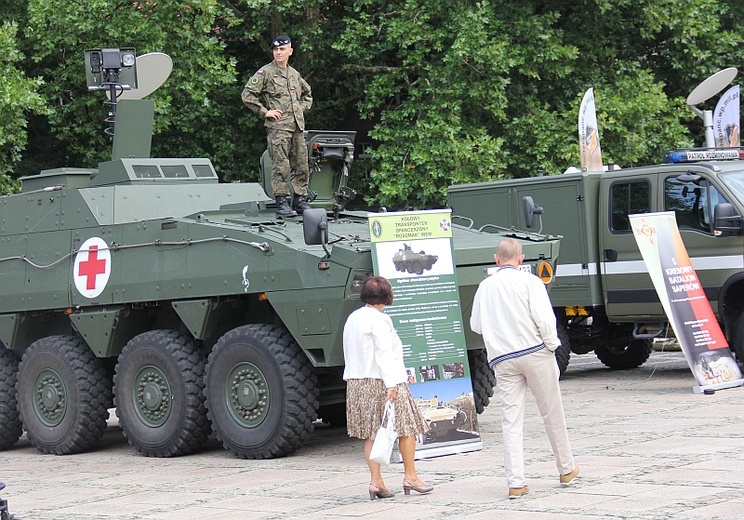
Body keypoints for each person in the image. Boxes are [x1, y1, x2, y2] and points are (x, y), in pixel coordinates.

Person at [469, 238, 579, 499]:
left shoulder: (485, 286)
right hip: (535, 352)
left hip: (503, 359)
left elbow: (476, 325)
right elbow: (544, 318)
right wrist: (552, 345)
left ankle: (516, 482)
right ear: (521, 259)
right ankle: (566, 468)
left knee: (511, 420)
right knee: (552, 413)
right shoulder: (530, 282)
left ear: (496, 259)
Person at [342, 276, 434, 500]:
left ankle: (376, 482)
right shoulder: (380, 320)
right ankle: (410, 476)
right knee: (406, 427)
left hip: (357, 382)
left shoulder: (353, 318)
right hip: (382, 381)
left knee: (371, 433)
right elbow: (384, 354)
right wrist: (391, 385)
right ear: (386, 295)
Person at [241, 35, 313, 219]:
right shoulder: (265, 73)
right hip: (278, 128)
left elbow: (308, 95)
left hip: (297, 127)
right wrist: (265, 112)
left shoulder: (294, 74)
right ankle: (282, 202)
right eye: (276, 49)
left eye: (282, 49)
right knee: (281, 166)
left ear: (290, 51)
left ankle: (300, 201)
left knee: (301, 165)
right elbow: (247, 95)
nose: (278, 53)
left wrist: (300, 109)